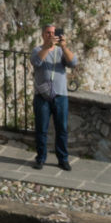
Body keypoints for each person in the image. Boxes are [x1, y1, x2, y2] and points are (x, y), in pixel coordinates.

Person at [31, 23, 75, 171]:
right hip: (42, 95)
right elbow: (36, 62)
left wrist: (64, 47)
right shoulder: (37, 50)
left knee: (62, 129)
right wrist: (46, 47)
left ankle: (63, 159)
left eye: (53, 33)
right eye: (48, 33)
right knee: (41, 129)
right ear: (43, 35)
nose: (51, 35)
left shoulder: (61, 51)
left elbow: (73, 63)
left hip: (61, 95)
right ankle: (40, 158)